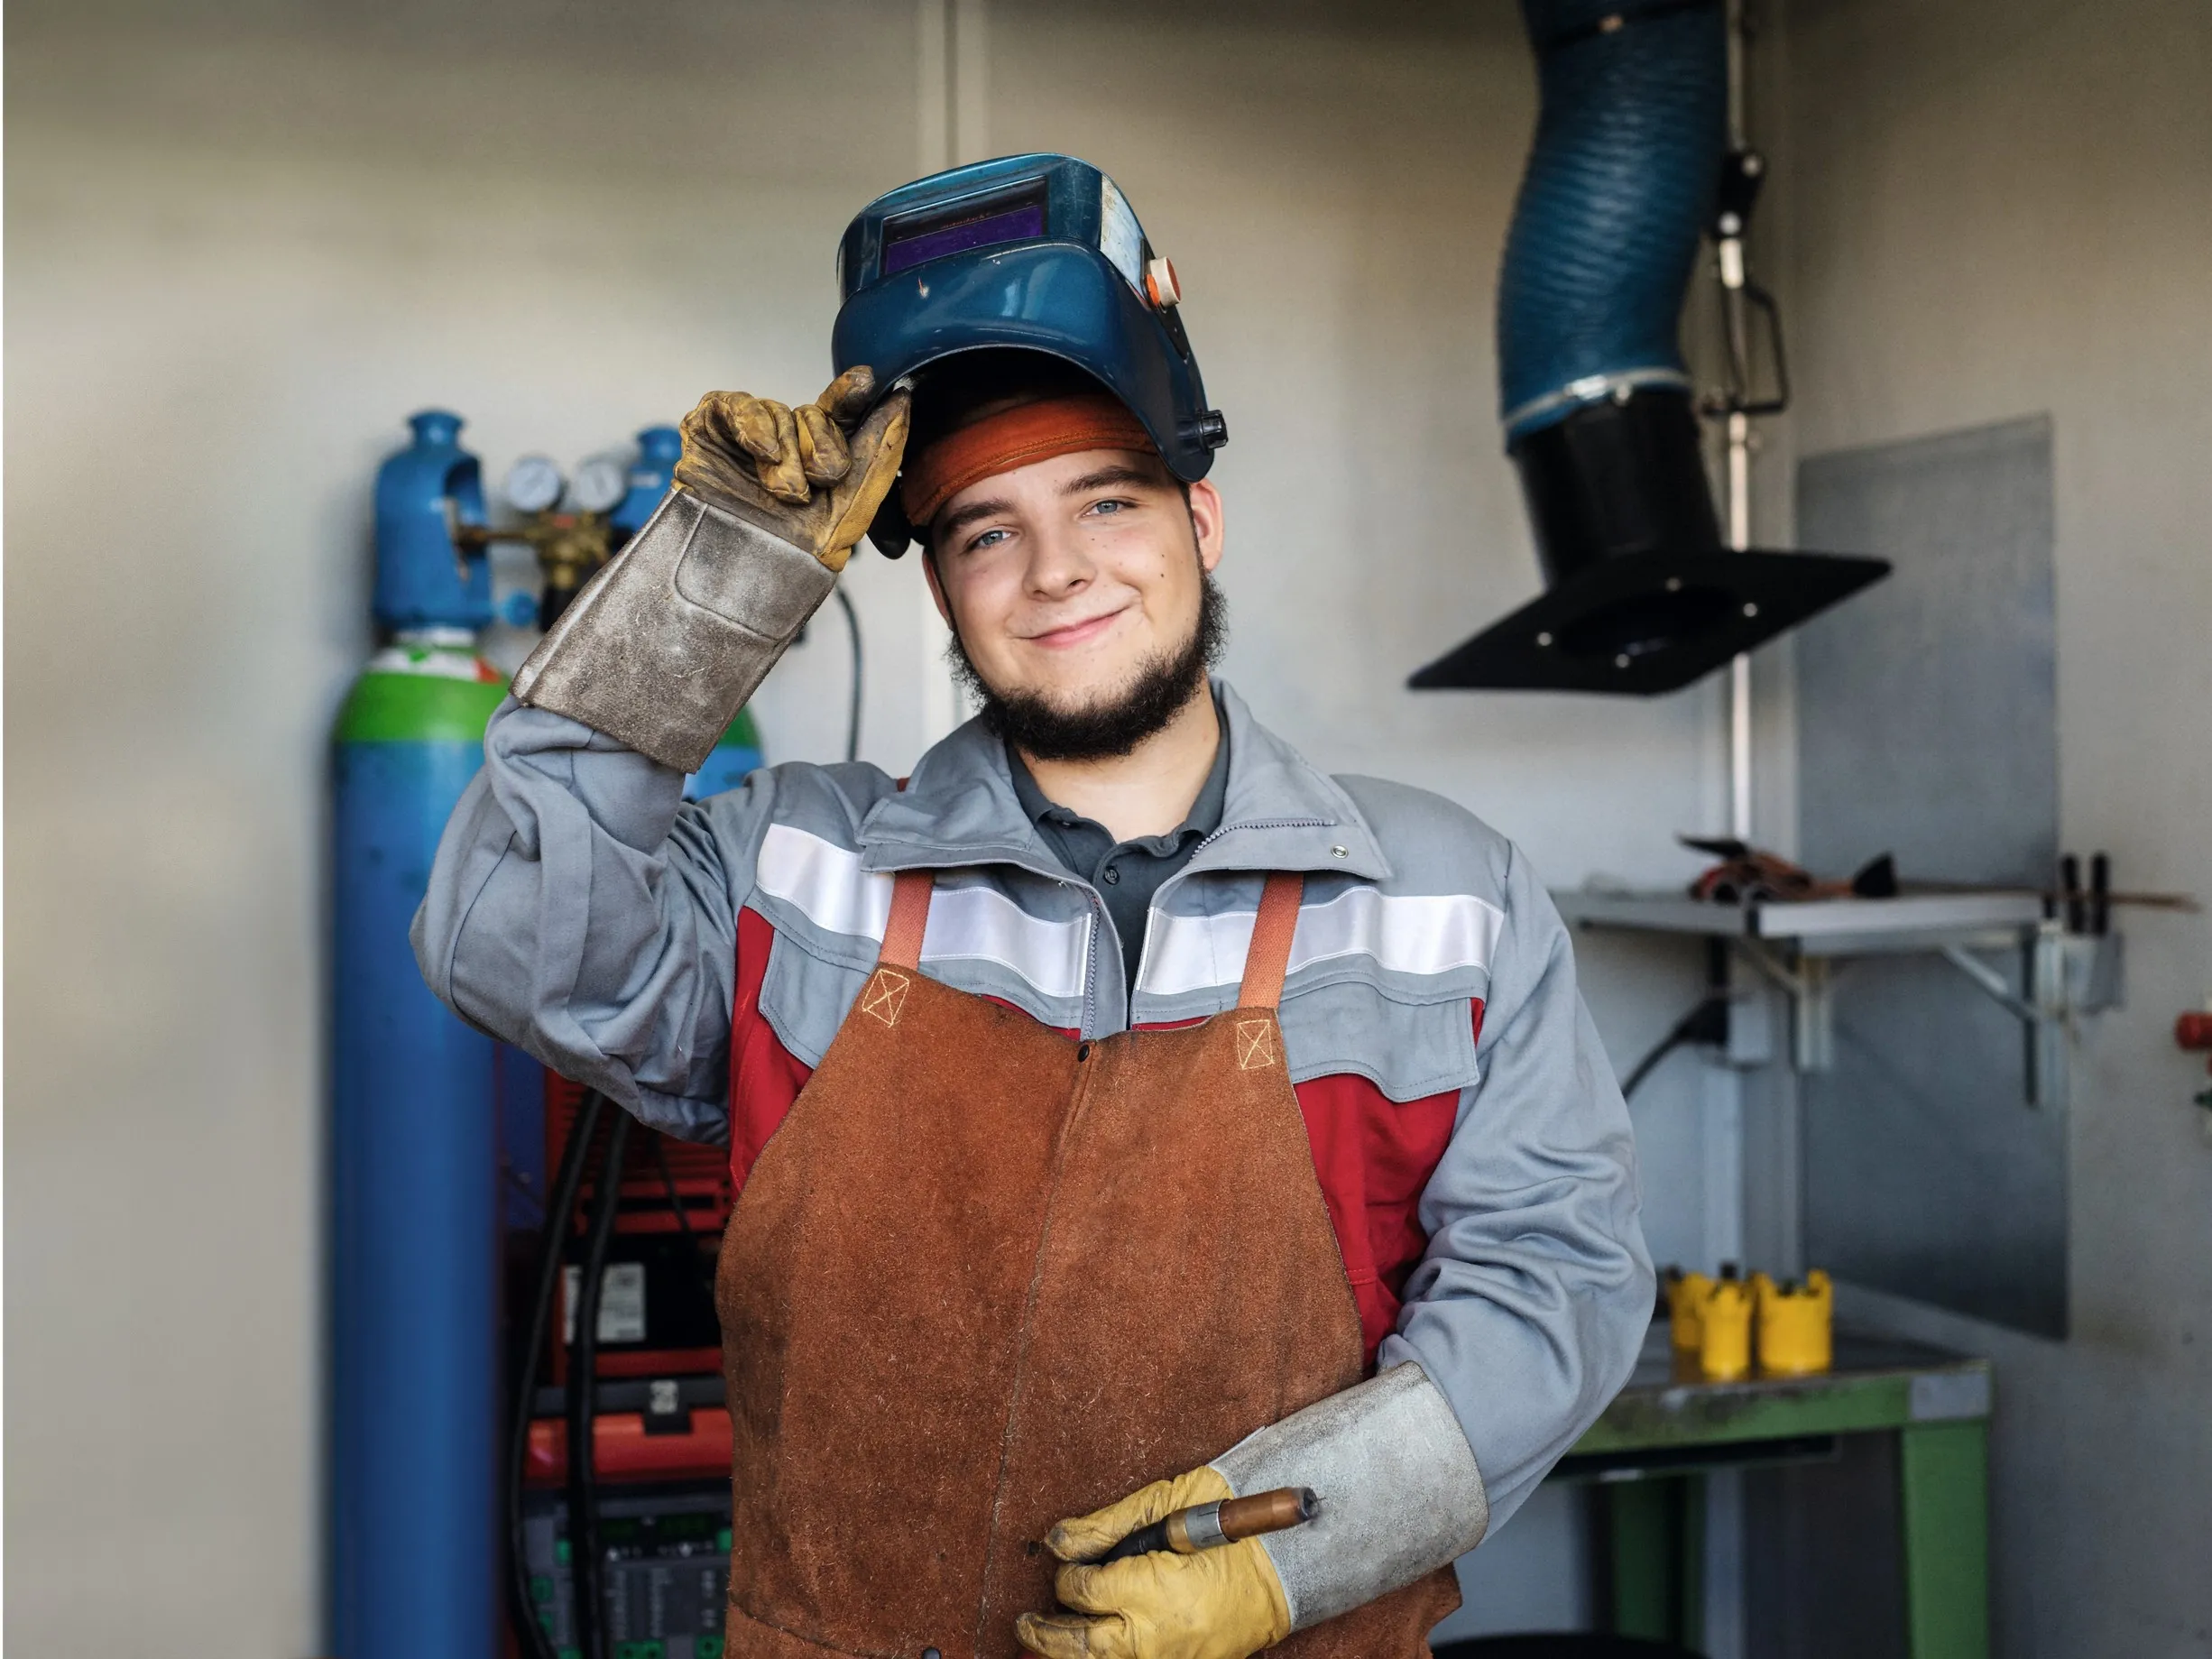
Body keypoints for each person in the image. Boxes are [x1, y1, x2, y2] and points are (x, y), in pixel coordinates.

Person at [416, 154, 1651, 1659]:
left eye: (1106, 500)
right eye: (984, 530)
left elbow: (1559, 1286)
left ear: (1203, 516)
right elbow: (500, 928)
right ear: (937, 589)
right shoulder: (797, 875)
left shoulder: (1448, 898)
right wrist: (711, 580)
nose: (1056, 571)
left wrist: (1291, 1555)